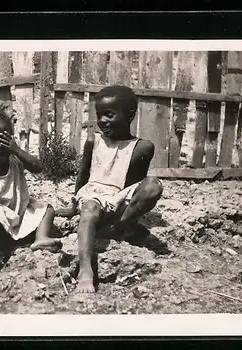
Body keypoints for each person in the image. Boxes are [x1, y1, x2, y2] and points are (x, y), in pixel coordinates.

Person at [57, 85, 163, 293]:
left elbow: (134, 184)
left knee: (153, 185)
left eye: (110, 115)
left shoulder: (142, 147)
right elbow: (83, 175)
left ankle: (119, 227)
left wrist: (124, 210)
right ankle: (86, 270)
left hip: (118, 197)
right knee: (89, 208)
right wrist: (72, 206)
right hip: (93, 195)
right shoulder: (93, 141)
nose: (103, 120)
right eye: (100, 115)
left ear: (130, 115)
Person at [0, 106, 62, 273]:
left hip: (19, 212)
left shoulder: (14, 158)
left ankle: (41, 238)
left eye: (4, 139)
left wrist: (17, 150)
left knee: (46, 209)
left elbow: (38, 167)